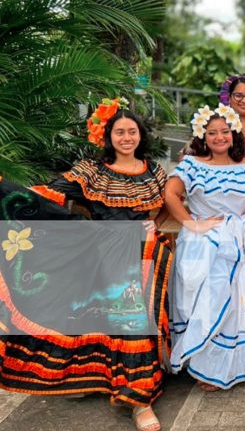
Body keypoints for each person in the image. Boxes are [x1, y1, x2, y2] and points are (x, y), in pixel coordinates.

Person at [0, 98, 172, 431]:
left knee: (133, 319)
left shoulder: (154, 170)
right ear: (108, 137)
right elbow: (48, 196)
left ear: (141, 135)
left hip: (143, 252)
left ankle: (138, 400)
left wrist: (157, 224)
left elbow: (168, 203)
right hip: (96, 250)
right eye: (119, 132)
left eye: (131, 131)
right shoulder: (90, 171)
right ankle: (93, 376)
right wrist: (5, 191)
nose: (126, 138)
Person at [165, 104, 245, 392]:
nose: (219, 137)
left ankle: (225, 363)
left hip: (239, 238)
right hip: (203, 243)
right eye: (212, 132)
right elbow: (171, 195)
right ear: (203, 136)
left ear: (233, 132)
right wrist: (192, 224)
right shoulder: (192, 164)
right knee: (204, 301)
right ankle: (203, 363)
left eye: (224, 132)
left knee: (239, 301)